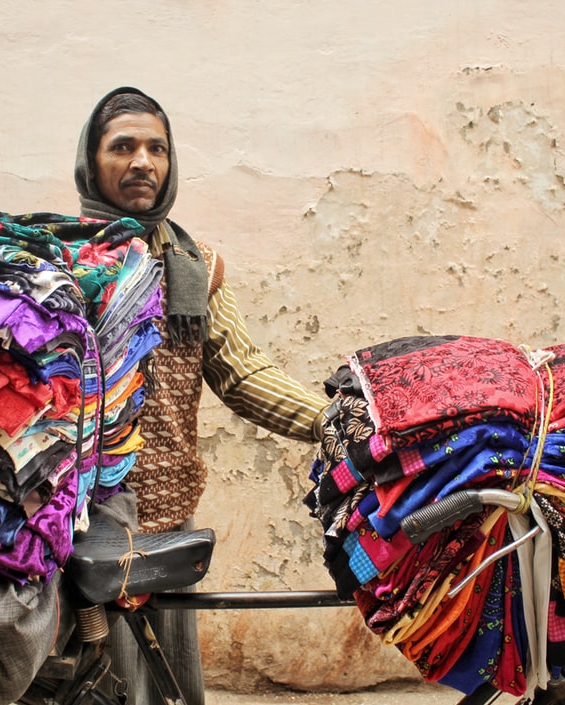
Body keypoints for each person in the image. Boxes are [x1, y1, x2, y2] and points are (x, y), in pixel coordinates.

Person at [75, 86, 331, 705]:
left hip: (169, 507)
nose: (143, 162)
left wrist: (340, 421)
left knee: (165, 679)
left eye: (156, 148)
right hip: (83, 517)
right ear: (92, 162)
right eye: (123, 147)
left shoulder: (196, 267)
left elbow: (243, 376)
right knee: (97, 676)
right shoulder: (61, 261)